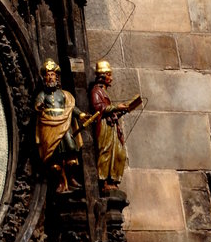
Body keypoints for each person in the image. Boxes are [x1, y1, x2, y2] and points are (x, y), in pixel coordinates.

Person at [34, 59, 84, 193]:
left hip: (64, 124)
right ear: (44, 78)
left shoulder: (63, 94)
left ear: (57, 77)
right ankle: (61, 181)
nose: (50, 77)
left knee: (71, 149)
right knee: (55, 158)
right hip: (49, 126)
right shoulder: (42, 95)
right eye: (48, 75)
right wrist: (39, 107)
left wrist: (81, 115)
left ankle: (71, 178)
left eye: (52, 75)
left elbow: (71, 107)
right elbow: (37, 106)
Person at [89, 60, 141, 188]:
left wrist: (122, 111)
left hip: (112, 125)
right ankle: (103, 181)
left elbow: (109, 109)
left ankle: (113, 179)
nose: (111, 78)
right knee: (106, 152)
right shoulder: (96, 91)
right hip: (104, 126)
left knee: (119, 153)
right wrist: (116, 107)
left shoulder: (104, 91)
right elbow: (99, 108)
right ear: (102, 76)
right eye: (109, 75)